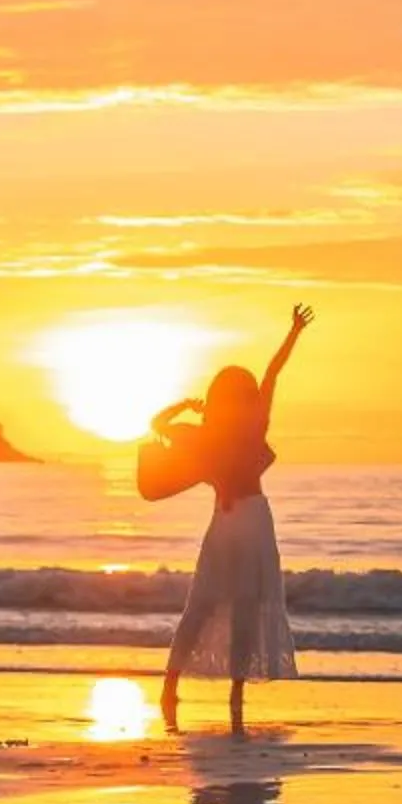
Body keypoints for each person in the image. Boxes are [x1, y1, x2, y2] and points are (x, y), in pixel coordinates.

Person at [152, 305, 312, 732]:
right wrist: (293, 332)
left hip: (224, 525)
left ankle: (170, 684)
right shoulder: (254, 423)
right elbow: (273, 373)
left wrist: (184, 405)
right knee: (244, 607)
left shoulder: (206, 435)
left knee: (200, 604)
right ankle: (235, 693)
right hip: (254, 520)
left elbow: (156, 424)